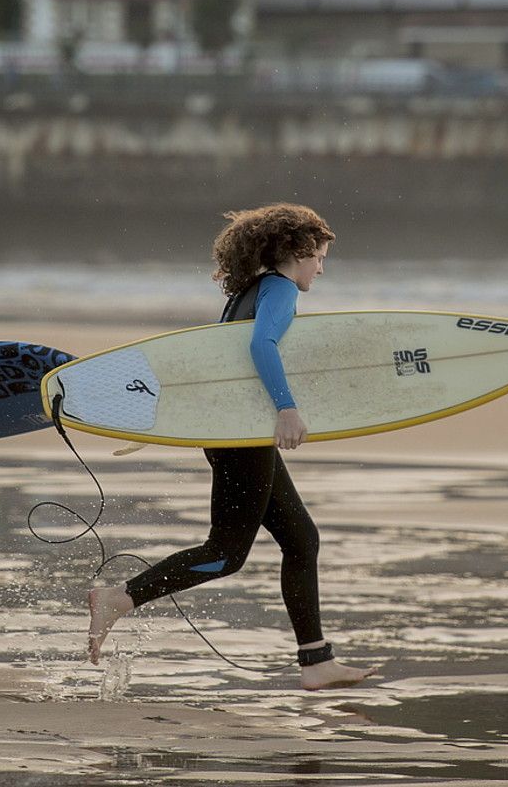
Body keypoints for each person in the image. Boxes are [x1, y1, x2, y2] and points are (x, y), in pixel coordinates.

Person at [86, 204, 376, 691]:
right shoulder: (280, 289)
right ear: (297, 252)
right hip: (242, 438)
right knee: (225, 553)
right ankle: (120, 598)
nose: (321, 268)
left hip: (233, 433)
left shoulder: (250, 291)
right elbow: (261, 346)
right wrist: (287, 408)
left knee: (302, 540)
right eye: (320, 257)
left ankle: (316, 661)